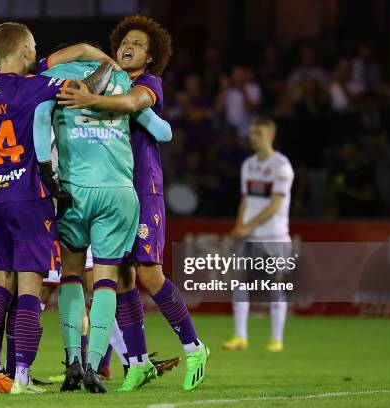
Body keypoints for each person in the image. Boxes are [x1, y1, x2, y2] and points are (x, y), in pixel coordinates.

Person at [0, 21, 114, 395]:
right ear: (23, 50)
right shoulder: (35, 86)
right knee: (30, 292)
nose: (36, 54)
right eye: (34, 47)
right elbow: (88, 92)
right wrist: (109, 68)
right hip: (26, 195)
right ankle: (20, 375)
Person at [56, 15, 209, 392]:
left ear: (151, 56)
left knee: (148, 273)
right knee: (120, 277)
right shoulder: (106, 77)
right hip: (111, 188)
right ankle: (137, 362)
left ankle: (194, 347)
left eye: (138, 44)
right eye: (125, 40)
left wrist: (91, 100)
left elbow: (134, 104)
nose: (129, 46)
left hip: (143, 187)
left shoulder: (147, 83)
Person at [223, 117, 294, 353]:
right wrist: (239, 226)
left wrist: (247, 225)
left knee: (274, 284)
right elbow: (246, 199)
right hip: (249, 235)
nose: (253, 138)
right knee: (240, 279)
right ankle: (240, 336)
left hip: (274, 235)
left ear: (270, 136)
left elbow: (275, 204)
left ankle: (277, 339)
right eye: (252, 133)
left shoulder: (281, 166)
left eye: (259, 134)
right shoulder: (248, 164)